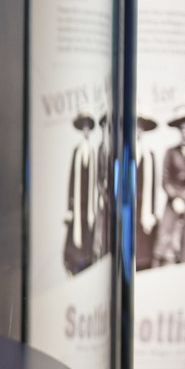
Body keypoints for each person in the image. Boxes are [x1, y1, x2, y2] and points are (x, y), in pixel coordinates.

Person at [153, 109, 185, 266]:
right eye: (183, 129)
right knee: (168, 244)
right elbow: (165, 180)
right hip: (174, 204)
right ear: (179, 131)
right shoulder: (171, 152)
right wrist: (174, 198)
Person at [64, 111, 96, 275]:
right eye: (83, 128)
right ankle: (74, 265)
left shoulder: (93, 152)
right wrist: (70, 207)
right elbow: (71, 181)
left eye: (88, 128)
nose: (86, 131)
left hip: (89, 206)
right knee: (75, 237)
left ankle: (86, 264)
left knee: (88, 236)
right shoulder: (77, 152)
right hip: (77, 205)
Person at [135, 115, 159, 271]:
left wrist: (150, 214)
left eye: (141, 127)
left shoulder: (149, 155)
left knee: (144, 256)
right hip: (129, 212)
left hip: (143, 213)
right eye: (136, 127)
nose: (138, 131)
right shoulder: (124, 154)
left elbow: (153, 190)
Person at [94, 113, 111, 258]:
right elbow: (98, 176)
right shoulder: (101, 149)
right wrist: (101, 192)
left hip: (111, 195)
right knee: (100, 226)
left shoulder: (113, 147)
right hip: (103, 195)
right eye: (104, 126)